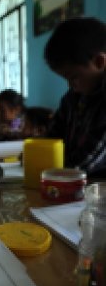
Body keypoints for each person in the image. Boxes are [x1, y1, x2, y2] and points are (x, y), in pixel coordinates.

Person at [44, 17, 106, 177]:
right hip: (71, 181)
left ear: (99, 62)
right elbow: (52, 136)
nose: (70, 85)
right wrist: (40, 154)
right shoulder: (72, 98)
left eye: (73, 77)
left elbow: (88, 160)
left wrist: (54, 170)